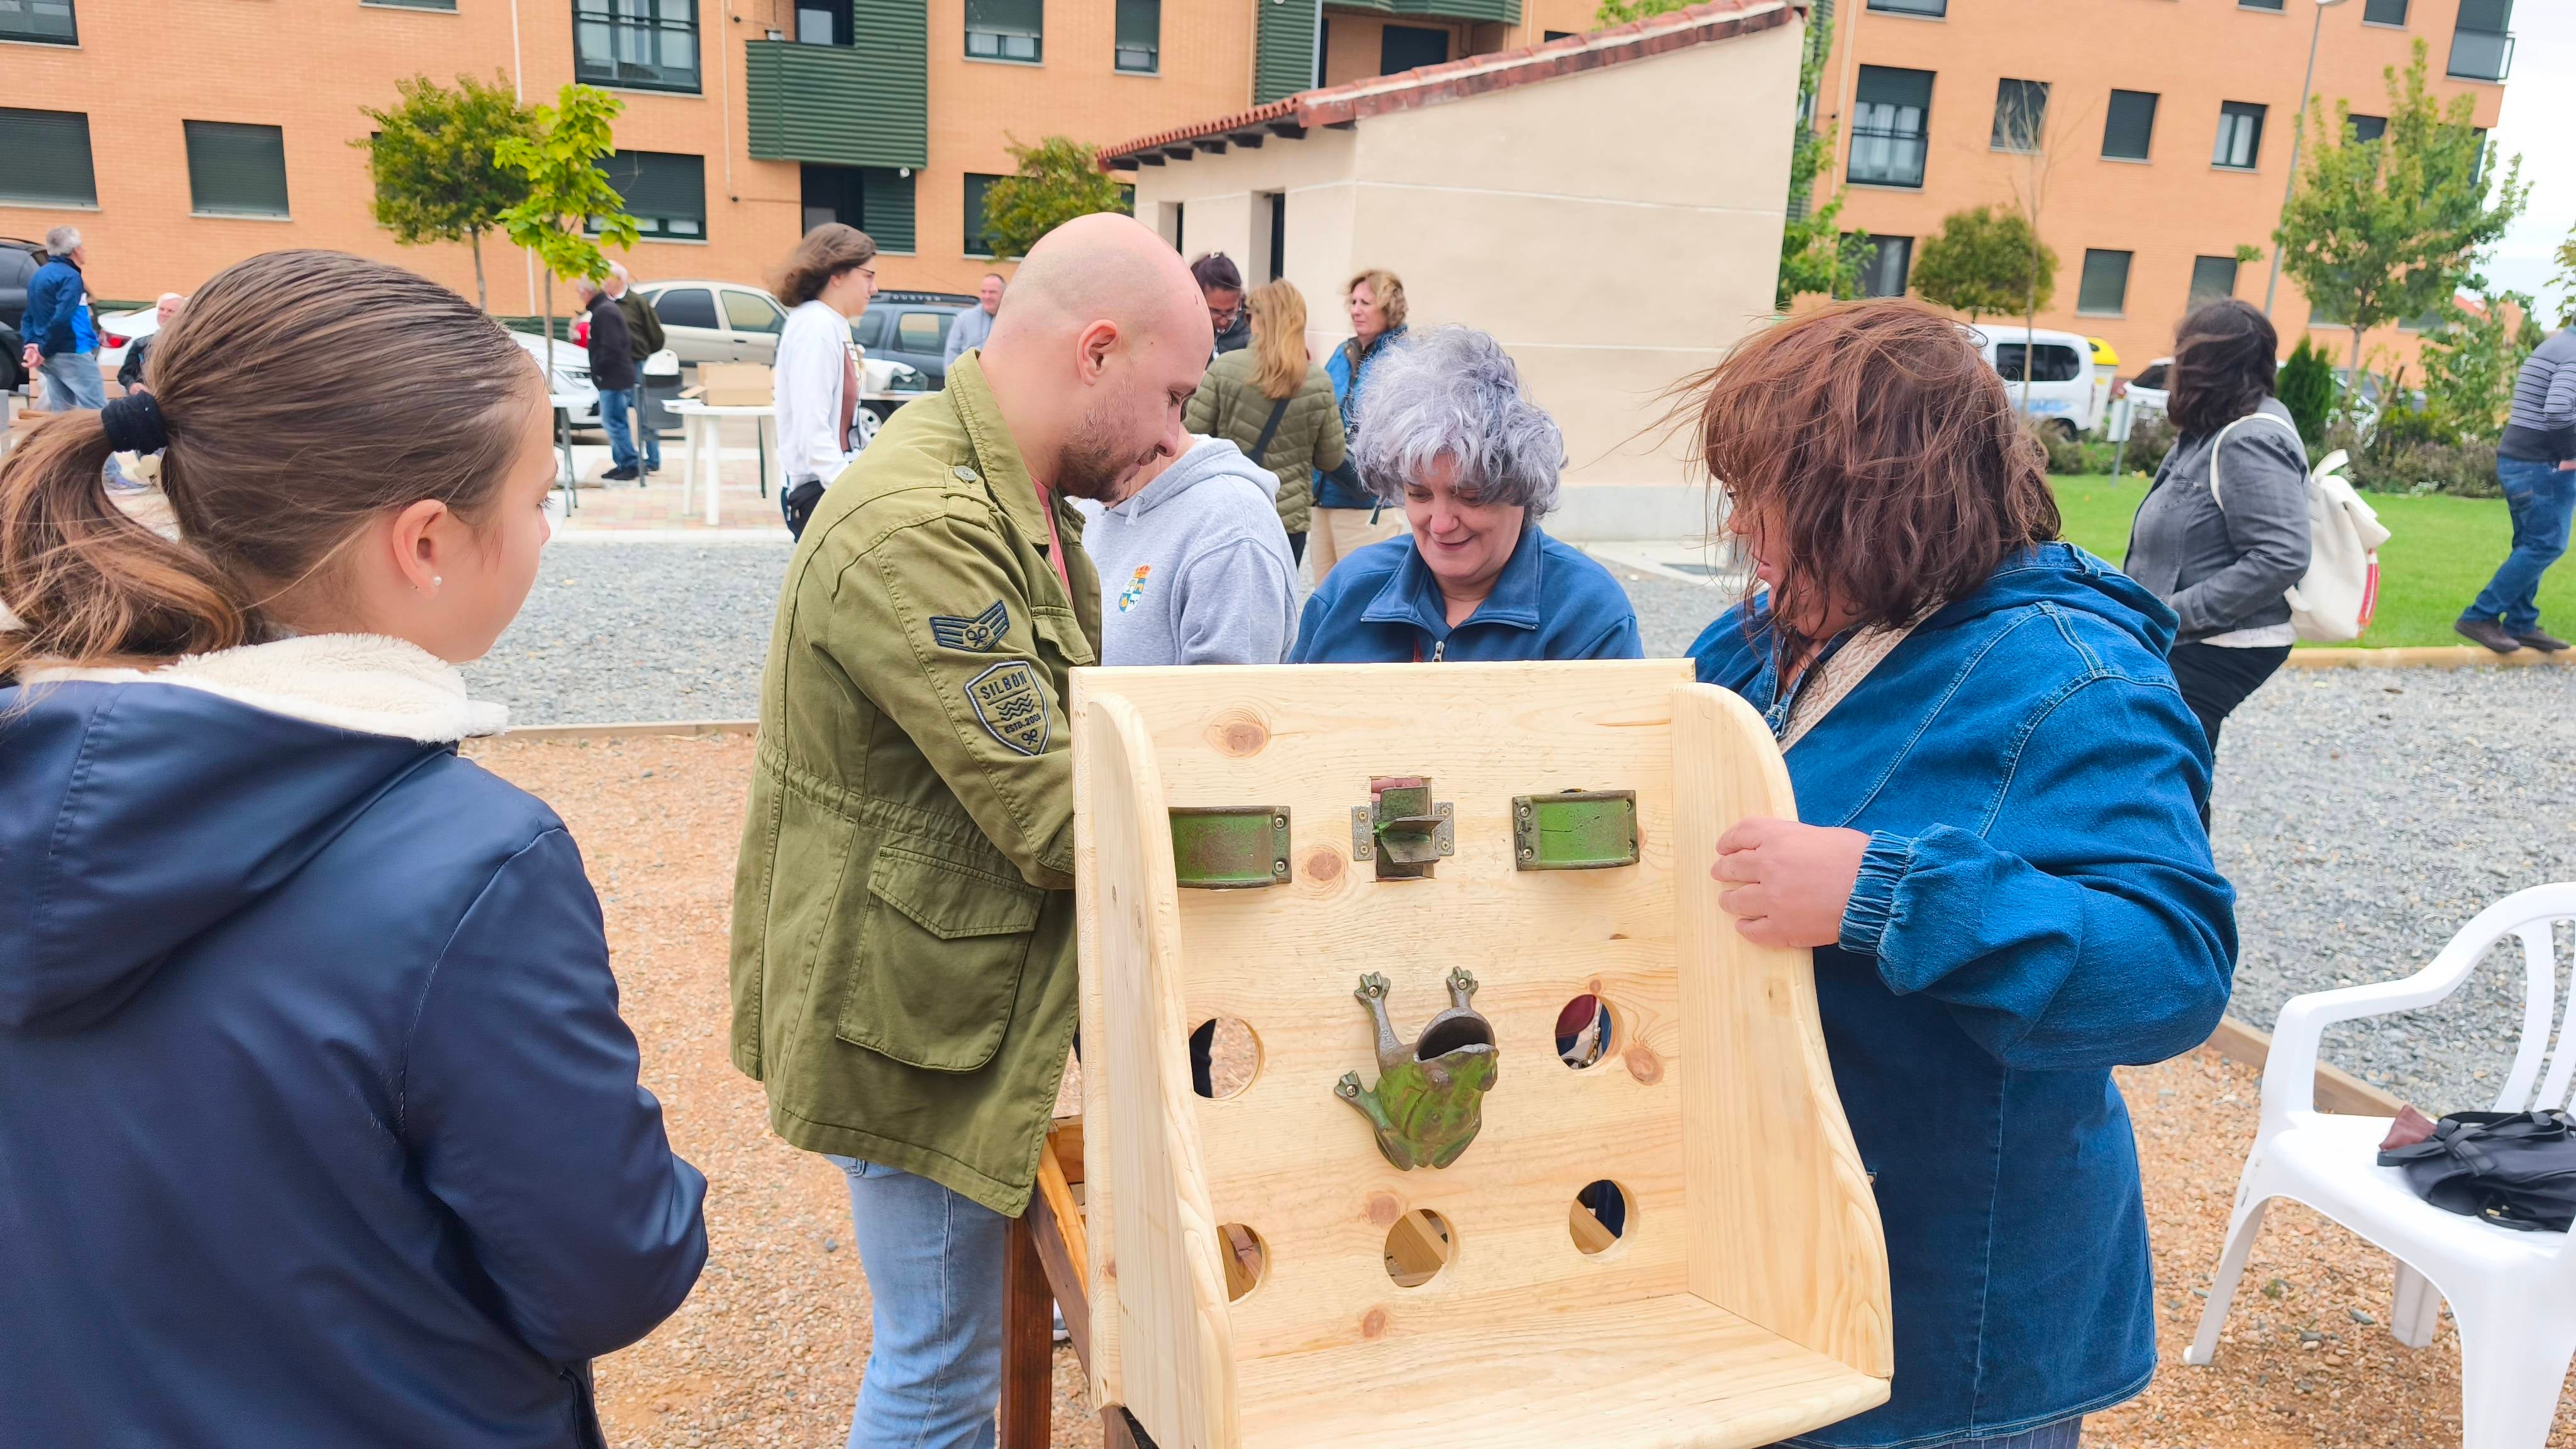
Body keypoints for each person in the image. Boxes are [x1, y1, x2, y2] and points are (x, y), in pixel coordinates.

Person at [0, 249, 708, 1446]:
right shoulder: (473, 863)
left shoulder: (37, 770)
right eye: (537, 497)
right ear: (426, 539)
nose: (543, 530)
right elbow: (611, 1266)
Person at [1685, 302, 2233, 1449]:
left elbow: (2174, 966)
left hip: (1952, 1321)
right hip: (1767, 1250)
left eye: (1764, 494)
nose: (1742, 527)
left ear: (1875, 499)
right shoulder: (1756, 642)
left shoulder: (2077, 681)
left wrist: (1882, 894)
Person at [730, 212, 1209, 1449]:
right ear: (1095, 351)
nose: (1174, 434)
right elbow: (1056, 813)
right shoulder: (923, 529)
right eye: (1169, 393)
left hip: (953, 991)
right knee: (938, 1371)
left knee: (948, 1351)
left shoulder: (1010, 495)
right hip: (918, 1018)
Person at [1292, 326, 1638, 662]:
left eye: (1471, 497)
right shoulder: (1347, 594)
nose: (1441, 525)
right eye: (1419, 494)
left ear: (1521, 488)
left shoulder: (1588, 615)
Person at [2121, 296, 2311, 805]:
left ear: (2204, 366)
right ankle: (2173, 877)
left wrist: (2172, 616)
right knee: (2162, 779)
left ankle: (2183, 883)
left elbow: (2282, 553)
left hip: (2218, 647)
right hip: (2188, 640)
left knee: (2165, 786)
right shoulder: (2210, 430)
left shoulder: (2248, 439)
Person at [1184, 279, 1344, 563]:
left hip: (1229, 509)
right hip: (1287, 520)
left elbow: (1191, 438)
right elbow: (1331, 459)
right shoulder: (1318, 381)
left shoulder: (1225, 369)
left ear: (1259, 319)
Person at [2458, 322, 2576, 653]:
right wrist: (2571, 454)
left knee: (2530, 544)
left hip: (2520, 461)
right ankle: (2478, 616)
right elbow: (2557, 408)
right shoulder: (2573, 355)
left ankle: (2522, 623)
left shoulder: (2557, 345)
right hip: (2543, 466)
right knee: (2546, 545)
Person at [771, 223, 879, 538]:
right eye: (868, 276)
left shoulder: (830, 323)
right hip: (819, 494)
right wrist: (852, 495)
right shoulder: (815, 328)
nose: (874, 288)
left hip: (831, 487)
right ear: (837, 274)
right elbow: (812, 430)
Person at [1307, 268, 1413, 579]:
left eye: (1365, 302)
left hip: (1368, 504)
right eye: (1353, 302)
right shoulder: (1344, 352)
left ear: (1388, 307)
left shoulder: (1401, 359)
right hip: (1326, 494)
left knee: (1361, 598)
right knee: (1326, 594)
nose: (1355, 310)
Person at [19, 226, 135, 492]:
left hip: (52, 356)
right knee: (98, 413)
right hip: (72, 352)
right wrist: (44, 348)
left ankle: (62, 474)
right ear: (74, 251)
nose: (84, 250)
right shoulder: (71, 278)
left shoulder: (40, 276)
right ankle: (112, 476)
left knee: (64, 416)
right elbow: (62, 316)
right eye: (82, 246)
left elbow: (30, 316)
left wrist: (32, 346)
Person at [571, 274, 640, 482]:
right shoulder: (605, 309)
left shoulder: (604, 312)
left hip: (614, 377)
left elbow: (611, 346)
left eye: (579, 291)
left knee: (613, 422)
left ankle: (629, 463)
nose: (579, 295)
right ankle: (622, 463)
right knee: (616, 421)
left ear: (586, 292)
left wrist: (599, 369)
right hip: (616, 375)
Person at [606, 262, 665, 475]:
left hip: (635, 364)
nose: (602, 282)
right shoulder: (604, 304)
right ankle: (624, 461)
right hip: (614, 369)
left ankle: (653, 458)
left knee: (645, 413)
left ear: (620, 279)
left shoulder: (637, 303)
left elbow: (657, 336)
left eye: (606, 277)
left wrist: (642, 353)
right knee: (615, 415)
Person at [116, 292, 185, 394]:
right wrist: (132, 386)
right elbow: (125, 374)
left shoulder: (188, 344)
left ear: (182, 315)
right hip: (145, 399)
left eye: (170, 311)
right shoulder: (141, 344)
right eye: (162, 309)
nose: (165, 314)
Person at [944, 271, 1006, 375]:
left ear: (1004, 294)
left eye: (993, 292)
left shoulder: (1011, 321)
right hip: (968, 384)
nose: (987, 296)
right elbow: (952, 352)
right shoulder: (964, 318)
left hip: (1000, 385)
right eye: (984, 291)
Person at [1191, 252, 1250, 355]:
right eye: (1215, 311)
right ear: (1198, 300)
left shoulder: (1254, 334)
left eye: (1231, 311)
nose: (1223, 322)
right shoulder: (1185, 331)